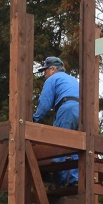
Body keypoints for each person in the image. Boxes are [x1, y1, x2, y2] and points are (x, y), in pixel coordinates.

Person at [33, 56, 80, 187]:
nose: (44, 75)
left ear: (52, 69)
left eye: (45, 71)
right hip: (83, 111)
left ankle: (58, 179)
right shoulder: (72, 79)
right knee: (77, 145)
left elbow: (45, 104)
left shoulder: (52, 79)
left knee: (59, 143)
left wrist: (35, 120)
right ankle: (74, 180)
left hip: (67, 109)